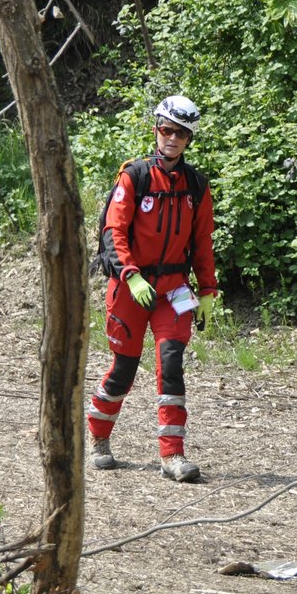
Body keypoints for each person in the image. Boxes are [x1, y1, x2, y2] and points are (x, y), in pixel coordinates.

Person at [86, 95, 219, 482]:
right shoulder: (135, 176)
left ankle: (172, 455)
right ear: (156, 131)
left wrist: (208, 290)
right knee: (123, 371)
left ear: (189, 139)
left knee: (172, 365)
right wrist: (130, 274)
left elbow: (203, 241)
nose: (172, 139)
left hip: (174, 290)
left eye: (180, 133)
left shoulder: (197, 185)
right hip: (131, 288)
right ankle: (98, 435)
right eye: (166, 130)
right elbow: (114, 231)